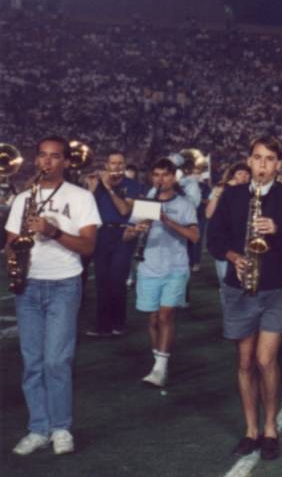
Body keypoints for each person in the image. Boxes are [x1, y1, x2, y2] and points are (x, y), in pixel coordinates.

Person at [206, 136, 282, 461]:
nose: (263, 165)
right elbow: (214, 239)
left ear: (279, 164)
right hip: (240, 286)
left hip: (279, 286)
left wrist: (277, 229)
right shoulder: (232, 196)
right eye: (257, 158)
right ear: (249, 161)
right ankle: (250, 429)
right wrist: (234, 256)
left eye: (269, 159)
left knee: (266, 360)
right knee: (244, 361)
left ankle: (270, 428)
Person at [6, 136, 101, 456]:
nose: (47, 162)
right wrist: (14, 250)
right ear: (36, 160)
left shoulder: (81, 197)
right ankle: (38, 429)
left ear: (66, 161)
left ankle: (61, 427)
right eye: (43, 156)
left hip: (64, 284)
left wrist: (52, 231)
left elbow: (88, 246)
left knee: (57, 361)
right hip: (29, 285)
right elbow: (8, 245)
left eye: (55, 156)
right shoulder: (21, 199)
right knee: (32, 362)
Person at [124, 158, 199, 387]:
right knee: (153, 318)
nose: (160, 179)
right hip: (148, 267)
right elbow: (125, 236)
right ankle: (160, 362)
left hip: (175, 267)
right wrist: (136, 229)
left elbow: (194, 236)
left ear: (173, 177)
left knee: (166, 315)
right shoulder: (145, 204)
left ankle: (159, 368)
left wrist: (168, 221)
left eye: (165, 175)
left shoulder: (185, 204)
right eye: (156, 175)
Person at [86, 150, 143, 337]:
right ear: (106, 166)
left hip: (122, 234)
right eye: (113, 163)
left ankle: (119, 323)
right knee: (102, 281)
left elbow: (125, 210)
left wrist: (108, 188)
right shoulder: (97, 184)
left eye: (120, 163)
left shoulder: (131, 184)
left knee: (117, 280)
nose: (116, 167)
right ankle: (102, 325)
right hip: (102, 234)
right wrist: (93, 188)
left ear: (124, 166)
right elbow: (85, 207)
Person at [206, 162, 251, 287]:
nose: (244, 177)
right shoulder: (222, 189)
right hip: (224, 241)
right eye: (240, 174)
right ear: (232, 176)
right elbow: (209, 214)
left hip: (242, 241)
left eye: (247, 174)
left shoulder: (251, 192)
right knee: (225, 280)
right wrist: (218, 193)